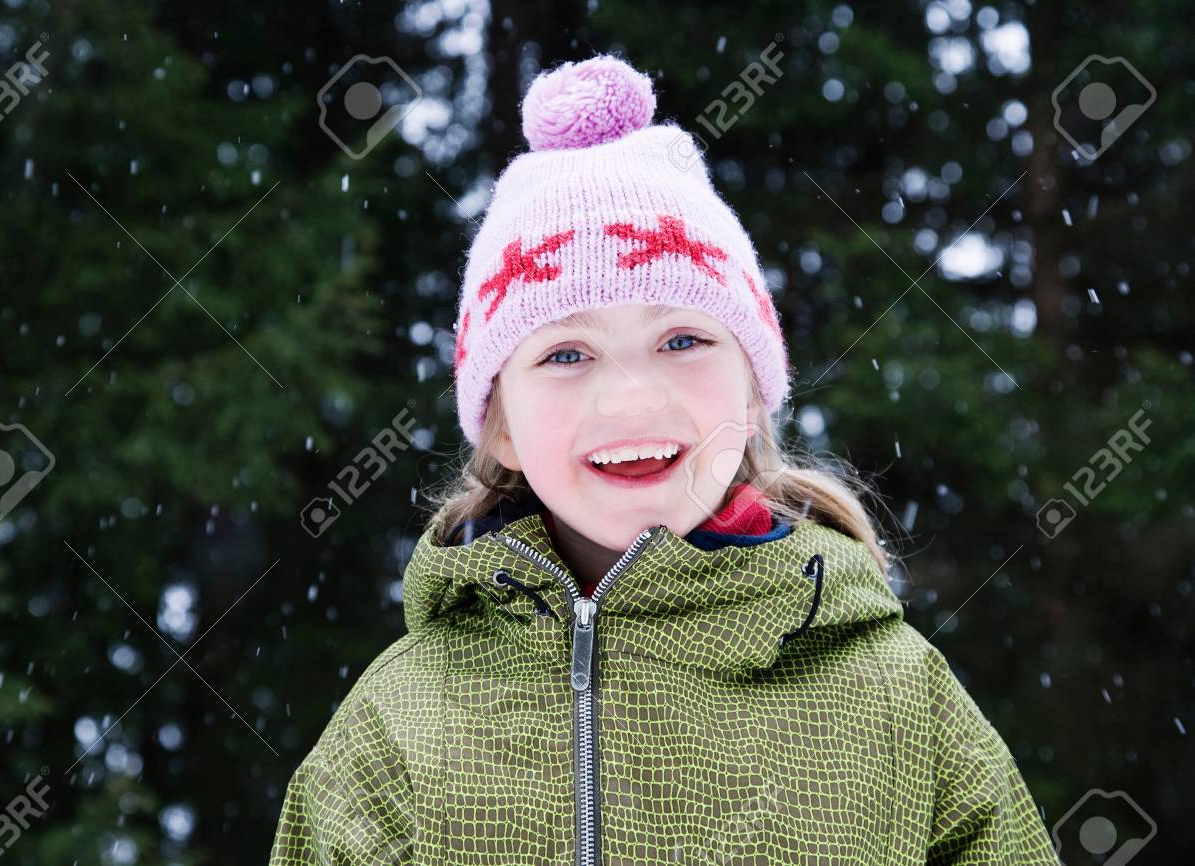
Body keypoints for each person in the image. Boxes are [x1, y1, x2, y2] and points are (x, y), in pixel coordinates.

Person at [268, 53, 1059, 865]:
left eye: (682, 339)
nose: (631, 400)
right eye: (567, 354)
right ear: (499, 426)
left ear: (753, 392)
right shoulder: (401, 720)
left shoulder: (893, 696)